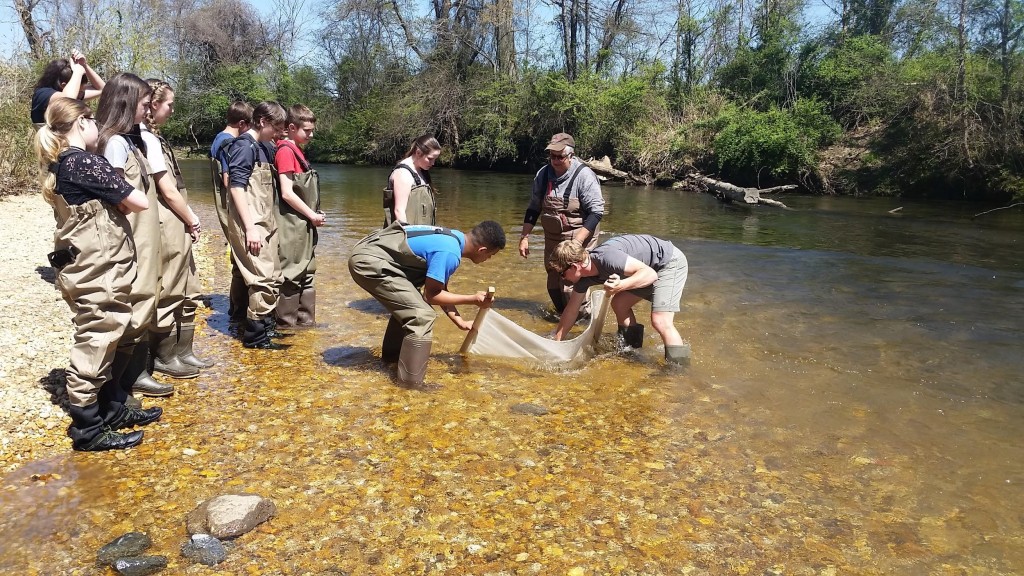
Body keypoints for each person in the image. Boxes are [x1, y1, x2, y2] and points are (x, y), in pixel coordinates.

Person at [34, 96, 161, 451]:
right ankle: (88, 430)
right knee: (99, 333)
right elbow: (139, 201)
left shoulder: (62, 164)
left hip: (90, 264)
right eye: (91, 121)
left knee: (113, 327)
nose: (97, 128)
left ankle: (111, 407)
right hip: (97, 268)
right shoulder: (84, 163)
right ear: (82, 123)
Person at [348, 221, 506, 387]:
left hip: (367, 252)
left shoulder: (453, 238)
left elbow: (440, 288)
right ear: (482, 250)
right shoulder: (450, 252)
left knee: (411, 305)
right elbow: (431, 295)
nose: (488, 259)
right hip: (368, 262)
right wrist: (472, 299)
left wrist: (459, 321)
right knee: (422, 316)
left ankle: (391, 362)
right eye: (490, 255)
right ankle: (411, 385)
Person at [97, 73, 175, 397]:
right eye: (145, 104)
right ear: (128, 104)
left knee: (146, 298)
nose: (148, 110)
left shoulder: (130, 140)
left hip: (141, 234)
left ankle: (127, 383)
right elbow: (117, 196)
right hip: (127, 236)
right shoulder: (114, 143)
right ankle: (118, 390)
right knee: (136, 302)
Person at [145, 79, 213, 377]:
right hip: (168, 219)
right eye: (169, 104)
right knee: (171, 288)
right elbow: (167, 189)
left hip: (178, 218)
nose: (172, 110)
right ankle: (164, 356)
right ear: (153, 105)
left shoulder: (154, 137)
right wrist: (192, 218)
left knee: (190, 288)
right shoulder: (145, 138)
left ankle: (184, 351)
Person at [549, 234, 690, 365]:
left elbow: (650, 275)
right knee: (619, 303)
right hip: (647, 269)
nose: (562, 278)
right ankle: (632, 351)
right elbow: (571, 310)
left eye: (561, 273)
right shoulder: (582, 279)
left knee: (660, 320)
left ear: (575, 266)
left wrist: (621, 285)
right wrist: (557, 341)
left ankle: (677, 371)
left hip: (668, 263)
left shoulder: (608, 258)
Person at [518, 132, 605, 315]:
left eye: (560, 157)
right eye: (552, 156)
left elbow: (596, 212)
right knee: (553, 284)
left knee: (569, 285)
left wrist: (577, 243)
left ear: (571, 156)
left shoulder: (584, 176)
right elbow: (533, 208)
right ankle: (562, 316)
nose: (555, 161)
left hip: (579, 236)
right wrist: (524, 237)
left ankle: (581, 320)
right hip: (553, 238)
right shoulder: (543, 175)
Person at [224, 100, 287, 349]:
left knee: (273, 276)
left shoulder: (262, 147)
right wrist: (250, 228)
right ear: (262, 122)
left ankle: (267, 329)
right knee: (261, 279)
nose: (279, 133)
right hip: (251, 222)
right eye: (276, 127)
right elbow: (236, 187)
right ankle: (255, 338)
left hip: (264, 221)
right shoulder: (244, 147)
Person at [274, 104, 325, 327]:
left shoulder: (298, 151)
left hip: (304, 225)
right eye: (307, 130)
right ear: (292, 127)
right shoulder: (285, 152)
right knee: (291, 275)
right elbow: (286, 193)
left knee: (307, 272)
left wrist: (314, 213)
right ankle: (286, 328)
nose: (311, 135)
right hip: (291, 225)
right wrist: (312, 214)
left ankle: (305, 327)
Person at [209, 101, 253, 321]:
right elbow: (229, 180)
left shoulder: (218, 139)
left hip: (223, 206)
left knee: (237, 258)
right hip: (230, 206)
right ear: (243, 123)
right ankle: (239, 312)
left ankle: (236, 310)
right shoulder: (229, 143)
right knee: (240, 258)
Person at [30, 50, 105, 125]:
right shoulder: (42, 94)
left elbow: (101, 89)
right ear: (63, 85)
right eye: (79, 90)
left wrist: (84, 65)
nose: (81, 94)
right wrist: (77, 72)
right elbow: (68, 99)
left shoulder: (72, 94)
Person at [383, 135, 440, 227]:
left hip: (420, 232)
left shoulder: (421, 170)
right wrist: (408, 237)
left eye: (435, 159)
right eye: (430, 159)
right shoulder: (403, 174)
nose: (433, 163)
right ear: (418, 153)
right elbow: (399, 211)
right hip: (407, 235)